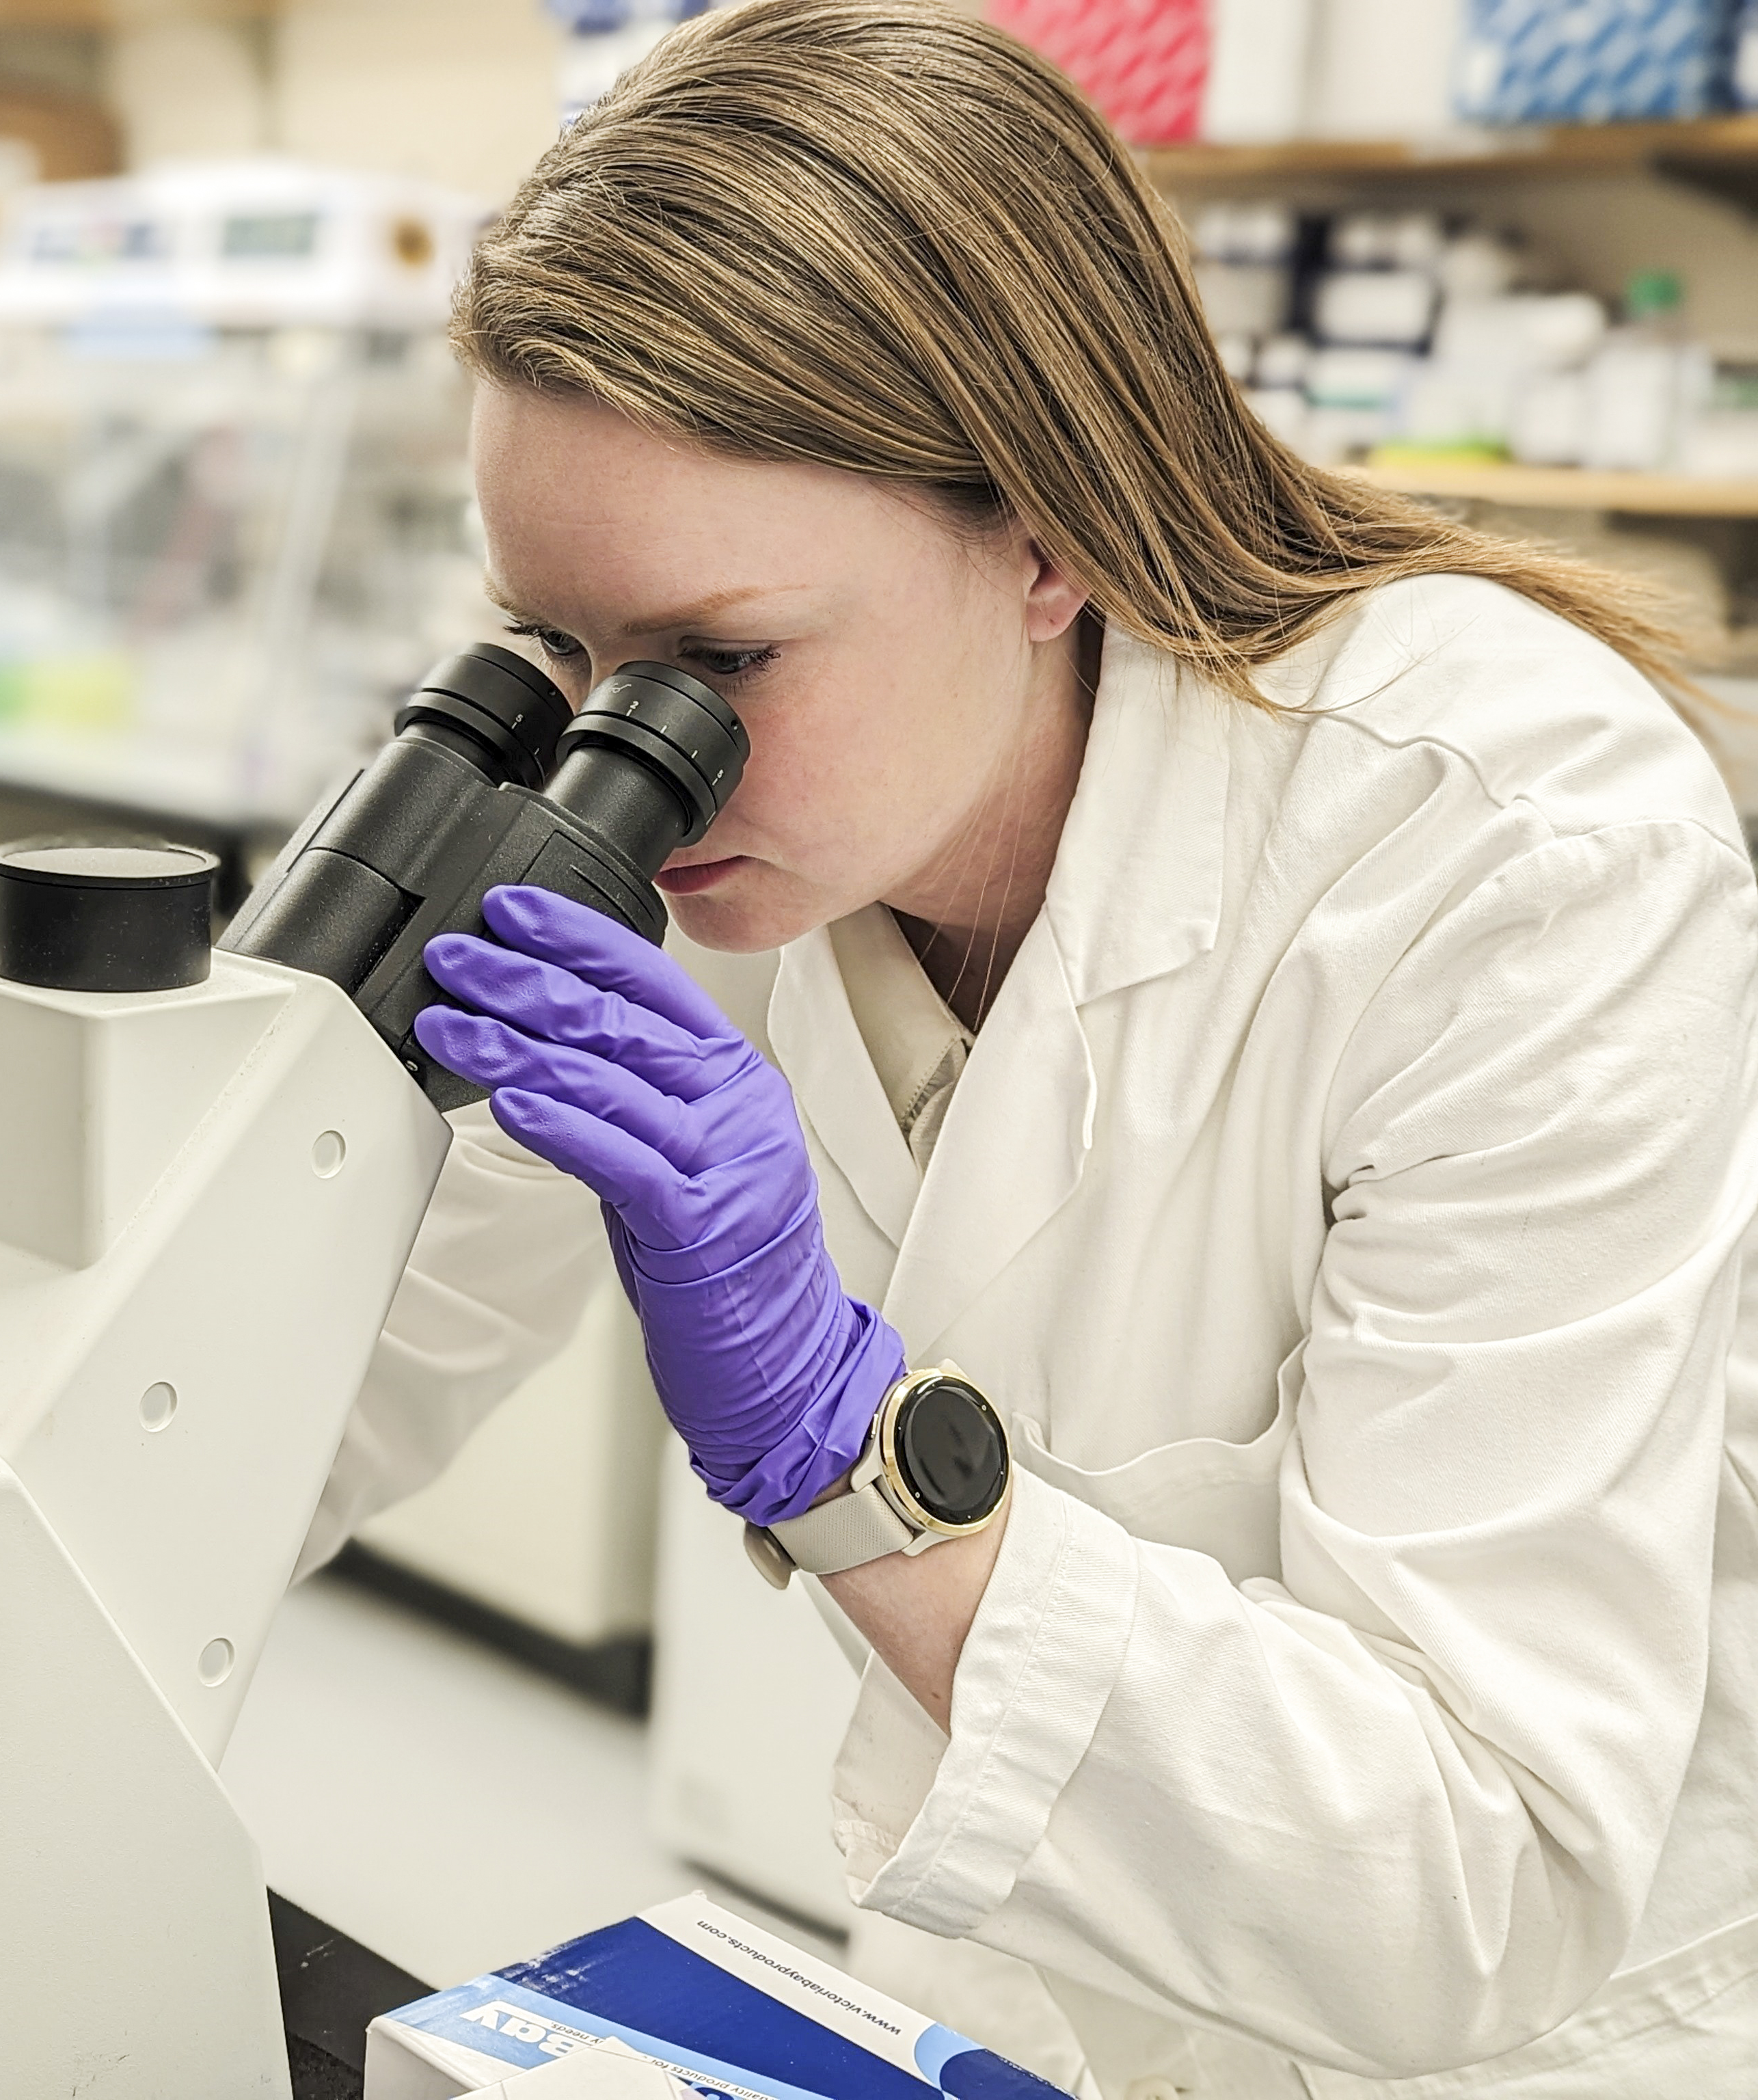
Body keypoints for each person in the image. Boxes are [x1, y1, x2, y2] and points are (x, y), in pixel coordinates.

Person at [293, 6, 1758, 2094]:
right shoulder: (749, 853)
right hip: (1052, 1992)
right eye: (561, 650)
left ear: (1045, 534)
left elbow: (1476, 1882)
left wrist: (844, 1453)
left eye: (719, 662)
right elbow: (319, 1375)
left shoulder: (1515, 851)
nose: (640, 761)